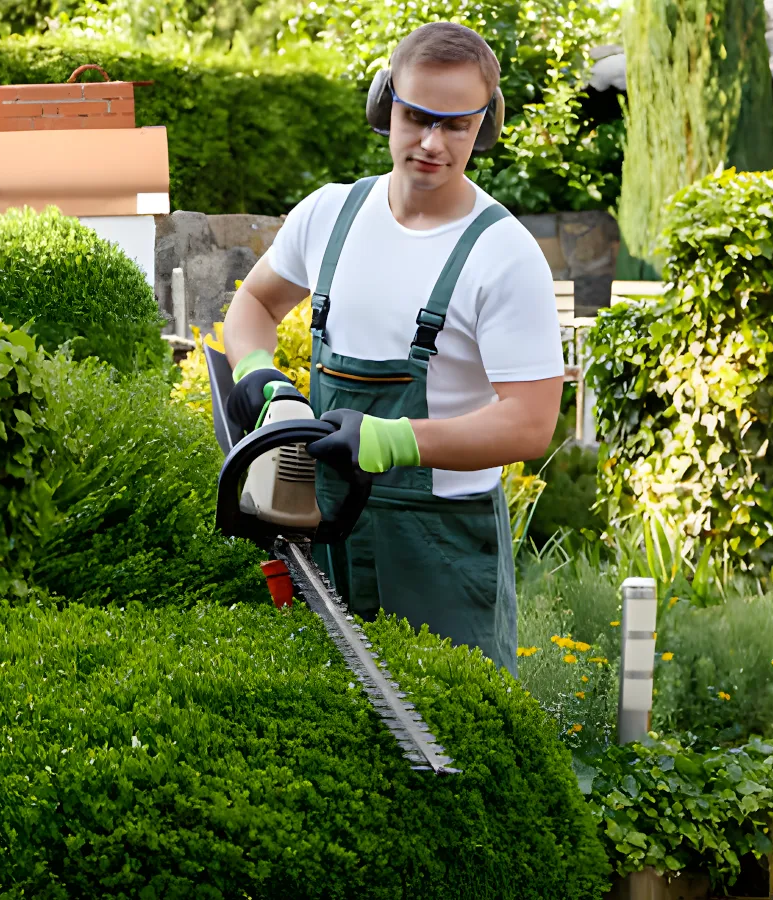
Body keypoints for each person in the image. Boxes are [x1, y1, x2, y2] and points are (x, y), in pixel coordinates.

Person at [221, 21, 563, 674]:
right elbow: (255, 304)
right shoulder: (329, 215)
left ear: (484, 126)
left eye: (455, 125)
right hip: (321, 529)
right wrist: (261, 379)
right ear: (386, 107)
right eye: (417, 117)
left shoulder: (503, 253)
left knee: (457, 740)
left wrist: (394, 441)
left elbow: (530, 421)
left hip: (440, 546)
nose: (432, 142)